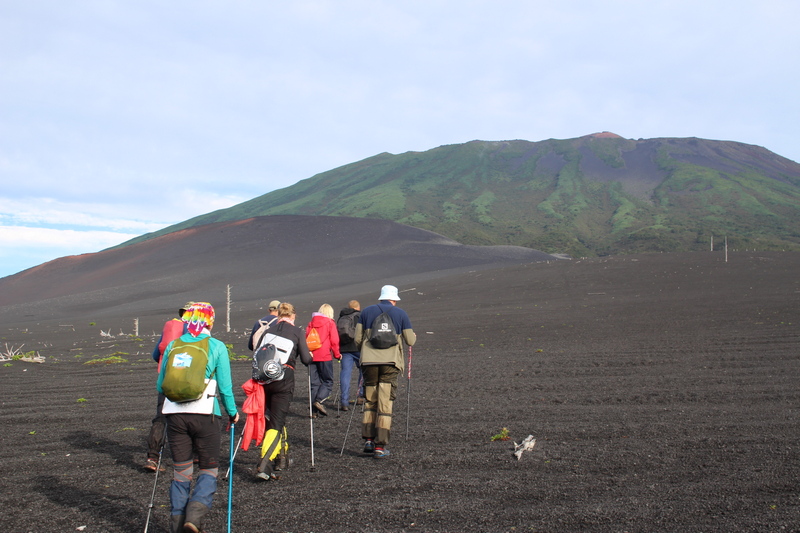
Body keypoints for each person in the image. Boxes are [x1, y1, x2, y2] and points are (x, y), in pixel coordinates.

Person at [156, 302, 239, 533]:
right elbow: (225, 387)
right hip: (206, 415)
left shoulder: (173, 345)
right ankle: (194, 515)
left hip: (174, 416)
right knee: (208, 469)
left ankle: (177, 525)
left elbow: (159, 385)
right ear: (210, 321)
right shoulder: (216, 346)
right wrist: (232, 413)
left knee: (181, 472)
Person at [356, 285, 416, 459]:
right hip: (390, 362)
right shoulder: (401, 314)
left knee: (370, 399)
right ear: (394, 299)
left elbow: (357, 339)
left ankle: (368, 440)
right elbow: (410, 340)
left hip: (368, 362)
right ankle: (380, 446)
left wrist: (365, 352)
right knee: (385, 401)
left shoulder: (366, 312)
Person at [254, 302, 312, 481]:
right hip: (284, 381)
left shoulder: (267, 332)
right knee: (277, 422)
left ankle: (282, 457)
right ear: (293, 316)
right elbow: (306, 359)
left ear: (278, 316)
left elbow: (255, 351)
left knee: (273, 417)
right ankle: (265, 464)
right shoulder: (298, 332)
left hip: (264, 380)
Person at [145, 301, 193, 472]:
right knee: (190, 416)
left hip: (166, 379)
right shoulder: (193, 330)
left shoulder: (170, 327)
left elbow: (155, 354)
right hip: (186, 380)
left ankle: (152, 457)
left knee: (160, 418)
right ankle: (190, 456)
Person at [306, 303, 341, 417]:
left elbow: (306, 337)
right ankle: (319, 400)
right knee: (327, 381)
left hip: (312, 355)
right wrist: (337, 354)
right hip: (325, 355)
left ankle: (313, 410)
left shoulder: (311, 323)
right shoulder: (330, 323)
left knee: (314, 383)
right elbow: (334, 340)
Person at [337, 300, 363, 411]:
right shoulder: (359, 316)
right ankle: (361, 395)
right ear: (358, 307)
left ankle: (344, 401)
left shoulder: (342, 317)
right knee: (363, 370)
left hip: (344, 348)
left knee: (345, 374)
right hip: (357, 347)